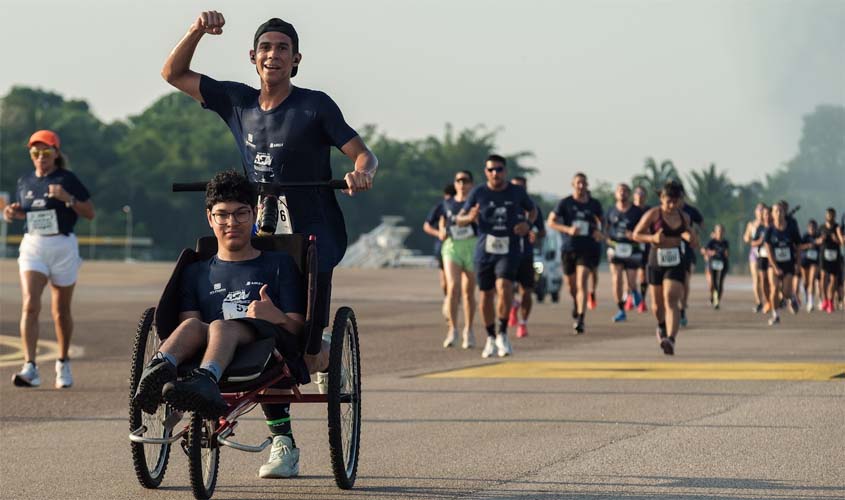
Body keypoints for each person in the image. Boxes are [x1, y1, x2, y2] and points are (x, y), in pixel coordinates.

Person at [162, 12, 378, 478]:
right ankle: (283, 441)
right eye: (266, 47)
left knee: (301, 346)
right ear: (253, 57)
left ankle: (319, 348)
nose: (273, 55)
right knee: (256, 329)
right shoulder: (236, 101)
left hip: (311, 235)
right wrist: (198, 29)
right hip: (257, 232)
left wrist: (362, 171)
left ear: (296, 59)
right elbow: (173, 74)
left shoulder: (315, 106)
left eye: (283, 48)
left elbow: (363, 152)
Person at [4, 130, 95, 389]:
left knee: (60, 311)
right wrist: (13, 213)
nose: (40, 157)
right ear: (31, 155)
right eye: (35, 153)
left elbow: (89, 213)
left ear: (56, 153)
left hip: (63, 245)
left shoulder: (67, 179)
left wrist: (69, 199)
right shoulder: (25, 181)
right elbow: (29, 212)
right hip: (34, 245)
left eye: (46, 152)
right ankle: (30, 367)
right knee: (30, 305)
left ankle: (63, 361)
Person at [456, 155, 536, 357]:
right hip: (485, 250)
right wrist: (469, 218)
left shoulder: (517, 192)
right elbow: (459, 219)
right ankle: (490, 337)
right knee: (485, 295)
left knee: (505, 286)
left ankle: (503, 333)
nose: (495, 173)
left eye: (499, 169)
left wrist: (527, 224)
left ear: (505, 171)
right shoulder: (478, 192)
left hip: (509, 249)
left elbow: (532, 211)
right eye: (491, 170)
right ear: (486, 172)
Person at [632, 180, 697, 355]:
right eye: (668, 200)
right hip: (656, 261)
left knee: (671, 298)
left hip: (675, 261)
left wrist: (691, 238)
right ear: (661, 198)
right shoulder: (653, 214)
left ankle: (671, 339)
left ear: (680, 200)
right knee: (657, 306)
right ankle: (661, 326)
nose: (671, 205)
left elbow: (694, 241)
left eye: (675, 201)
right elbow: (636, 234)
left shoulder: (684, 217)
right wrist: (652, 239)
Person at [547, 173, 604, 334]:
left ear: (587, 185)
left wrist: (600, 232)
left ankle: (580, 318)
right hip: (569, 248)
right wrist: (567, 229)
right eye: (578, 183)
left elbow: (603, 220)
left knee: (582, 281)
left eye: (584, 183)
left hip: (587, 248)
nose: (581, 186)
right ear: (573, 184)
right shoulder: (565, 203)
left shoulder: (594, 204)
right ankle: (576, 302)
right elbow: (551, 222)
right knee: (571, 286)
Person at [438, 172, 477, 348]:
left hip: (472, 246)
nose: (462, 184)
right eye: (458, 181)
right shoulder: (447, 202)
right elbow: (439, 220)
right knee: (453, 288)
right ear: (455, 184)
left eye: (465, 181)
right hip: (452, 247)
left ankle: (468, 329)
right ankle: (452, 329)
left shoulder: (477, 202)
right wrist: (440, 231)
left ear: (471, 184)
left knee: (468, 292)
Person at [508, 176, 545, 338]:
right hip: (506, 253)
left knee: (526, 292)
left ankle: (523, 323)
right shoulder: (505, 205)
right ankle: (512, 305)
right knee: (503, 288)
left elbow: (542, 231)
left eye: (521, 187)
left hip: (526, 255)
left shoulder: (533, 209)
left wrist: (535, 234)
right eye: (515, 187)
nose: (518, 190)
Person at [604, 183, 644, 322]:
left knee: (632, 282)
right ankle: (620, 309)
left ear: (629, 194)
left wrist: (634, 235)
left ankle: (635, 293)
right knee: (617, 278)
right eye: (620, 191)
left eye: (625, 191)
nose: (622, 193)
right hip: (616, 248)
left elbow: (644, 229)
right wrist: (607, 238)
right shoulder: (611, 211)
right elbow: (606, 228)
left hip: (632, 249)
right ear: (616, 194)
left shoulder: (637, 212)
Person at [763, 202, 801, 325]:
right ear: (772, 214)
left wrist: (798, 264)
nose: (779, 213)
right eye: (776, 211)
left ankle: (792, 297)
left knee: (785, 292)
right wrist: (775, 267)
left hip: (788, 264)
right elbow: (768, 251)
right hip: (774, 264)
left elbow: (798, 247)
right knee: (774, 289)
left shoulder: (791, 228)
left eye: (781, 211)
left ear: (784, 213)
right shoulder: (769, 230)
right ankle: (775, 315)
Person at [424, 184, 456, 319]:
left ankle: (452, 301)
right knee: (445, 282)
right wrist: (438, 233)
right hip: (442, 247)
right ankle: (448, 299)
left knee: (455, 282)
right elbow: (426, 226)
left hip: (460, 246)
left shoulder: (466, 205)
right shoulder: (441, 206)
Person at [679, 199, 704, 327]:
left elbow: (701, 224)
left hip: (687, 253)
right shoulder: (659, 213)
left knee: (685, 282)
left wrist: (694, 235)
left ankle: (682, 310)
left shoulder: (690, 212)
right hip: (668, 252)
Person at [816, 208, 843, 314]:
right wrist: (820, 240)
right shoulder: (821, 227)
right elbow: (815, 241)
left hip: (835, 256)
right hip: (824, 255)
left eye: (832, 215)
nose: (830, 217)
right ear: (826, 216)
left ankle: (830, 301)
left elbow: (841, 242)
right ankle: (825, 300)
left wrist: (836, 239)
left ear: (835, 216)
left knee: (833, 279)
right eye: (828, 215)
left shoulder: (837, 227)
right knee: (823, 278)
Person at [743, 204, 766, 312]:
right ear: (755, 212)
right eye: (759, 209)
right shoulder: (751, 224)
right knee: (756, 278)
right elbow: (746, 237)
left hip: (766, 254)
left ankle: (768, 300)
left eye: (762, 209)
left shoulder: (768, 225)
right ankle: (759, 302)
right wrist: (751, 241)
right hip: (754, 253)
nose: (760, 211)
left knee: (764, 279)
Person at [749, 205, 772, 313]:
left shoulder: (774, 227)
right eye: (765, 214)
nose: (767, 216)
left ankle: (774, 299)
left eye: (769, 214)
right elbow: (752, 242)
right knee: (763, 280)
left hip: (773, 258)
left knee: (771, 280)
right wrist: (760, 241)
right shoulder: (760, 228)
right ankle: (767, 301)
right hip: (762, 256)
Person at [702, 224, 730, 309]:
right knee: (713, 283)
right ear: (715, 232)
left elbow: (727, 253)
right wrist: (711, 253)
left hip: (722, 264)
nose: (720, 233)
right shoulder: (712, 242)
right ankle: (713, 297)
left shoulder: (725, 242)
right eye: (718, 231)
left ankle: (717, 300)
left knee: (720, 282)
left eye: (721, 231)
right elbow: (704, 251)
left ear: (724, 232)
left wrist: (726, 254)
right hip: (713, 263)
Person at [632, 186, 650, 313]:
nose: (640, 196)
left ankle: (642, 300)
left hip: (645, 245)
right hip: (630, 246)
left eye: (642, 194)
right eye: (638, 193)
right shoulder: (629, 209)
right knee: (630, 275)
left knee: (643, 275)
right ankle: (630, 295)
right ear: (634, 195)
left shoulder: (650, 211)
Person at [798, 219, 820, 312]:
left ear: (816, 228)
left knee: (812, 281)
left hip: (814, 261)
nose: (812, 229)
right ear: (808, 228)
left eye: (814, 227)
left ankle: (811, 302)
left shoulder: (819, 236)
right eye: (810, 227)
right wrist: (809, 245)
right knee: (806, 282)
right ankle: (807, 296)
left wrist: (820, 242)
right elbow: (799, 246)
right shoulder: (805, 236)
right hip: (805, 261)